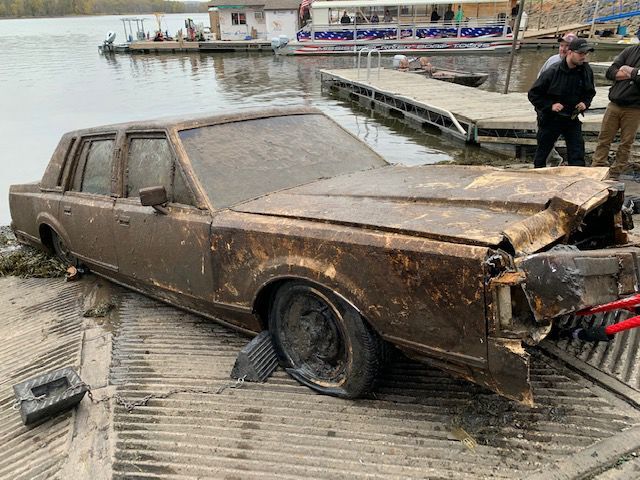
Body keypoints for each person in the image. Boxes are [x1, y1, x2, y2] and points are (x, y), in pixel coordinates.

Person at [528, 38, 596, 168]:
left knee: (577, 151)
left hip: (572, 117)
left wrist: (585, 103)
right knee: (542, 153)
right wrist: (550, 105)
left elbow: (590, 92)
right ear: (570, 53)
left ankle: (576, 179)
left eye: (586, 54)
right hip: (551, 118)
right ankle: (537, 176)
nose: (584, 57)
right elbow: (533, 94)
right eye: (581, 53)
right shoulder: (552, 71)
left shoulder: (586, 70)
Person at [591, 34, 640, 179]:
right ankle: (597, 167)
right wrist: (633, 74)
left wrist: (628, 70)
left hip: (635, 109)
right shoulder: (629, 51)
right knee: (604, 138)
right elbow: (610, 72)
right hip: (614, 104)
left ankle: (615, 172)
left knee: (626, 142)